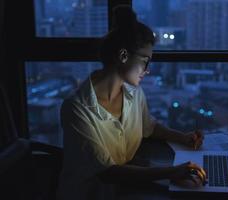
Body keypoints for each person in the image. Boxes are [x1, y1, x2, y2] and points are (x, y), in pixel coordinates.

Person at [56, 5, 206, 200]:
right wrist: (171, 172)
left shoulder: (134, 93)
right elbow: (108, 172)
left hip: (125, 189)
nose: (147, 69)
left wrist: (182, 137)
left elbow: (148, 126)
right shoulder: (76, 109)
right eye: (145, 61)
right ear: (123, 56)